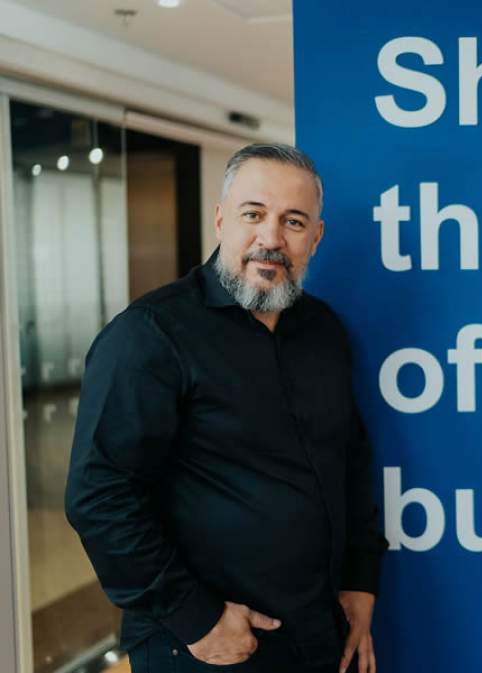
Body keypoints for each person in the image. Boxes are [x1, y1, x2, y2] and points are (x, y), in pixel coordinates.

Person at [64, 143, 389, 673]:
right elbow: (100, 497)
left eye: (293, 221)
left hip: (316, 632)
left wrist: (359, 578)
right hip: (206, 643)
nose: (271, 238)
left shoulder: (324, 332)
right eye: (253, 214)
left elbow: (348, 460)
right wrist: (196, 618)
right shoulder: (150, 335)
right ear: (221, 219)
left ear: (315, 237)